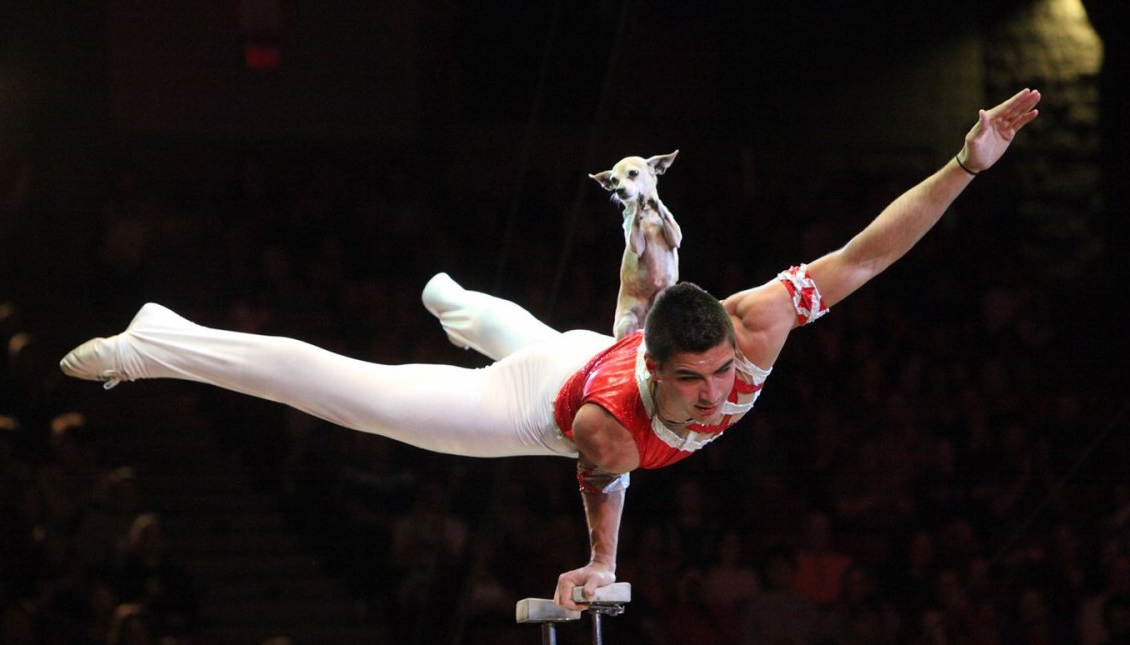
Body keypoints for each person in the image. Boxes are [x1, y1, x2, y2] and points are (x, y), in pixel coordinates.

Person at [59, 90, 1040, 610]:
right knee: (352, 394)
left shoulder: (758, 322)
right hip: (541, 402)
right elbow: (605, 502)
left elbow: (870, 255)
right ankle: (159, 342)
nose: (710, 398)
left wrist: (965, 162)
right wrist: (597, 567)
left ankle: (478, 291)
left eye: (717, 378)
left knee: (557, 311)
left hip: (590, 346)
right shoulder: (608, 430)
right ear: (655, 363)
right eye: (688, 381)